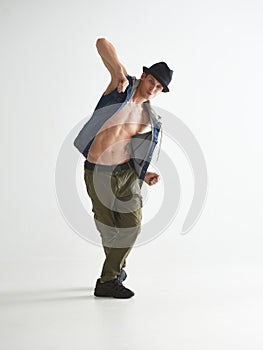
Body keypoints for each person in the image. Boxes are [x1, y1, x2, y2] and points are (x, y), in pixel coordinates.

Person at [74, 38, 173, 298]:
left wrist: (146, 172)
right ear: (144, 75)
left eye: (159, 87)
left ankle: (107, 281)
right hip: (97, 171)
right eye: (152, 81)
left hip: (126, 174)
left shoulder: (148, 118)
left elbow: (131, 151)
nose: (153, 88)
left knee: (132, 226)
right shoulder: (121, 89)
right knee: (109, 231)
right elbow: (101, 43)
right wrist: (117, 69)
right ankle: (117, 272)